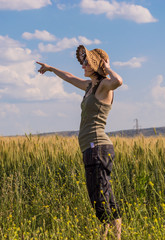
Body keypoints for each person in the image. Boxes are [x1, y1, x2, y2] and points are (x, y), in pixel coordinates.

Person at [36, 45, 123, 240]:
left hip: (98, 147)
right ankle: (113, 236)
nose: (83, 65)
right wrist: (50, 68)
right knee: (103, 195)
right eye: (83, 61)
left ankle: (108, 236)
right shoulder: (90, 86)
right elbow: (68, 77)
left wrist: (106, 67)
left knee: (99, 197)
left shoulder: (104, 86)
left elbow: (118, 81)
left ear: (96, 65)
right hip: (92, 149)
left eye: (87, 62)